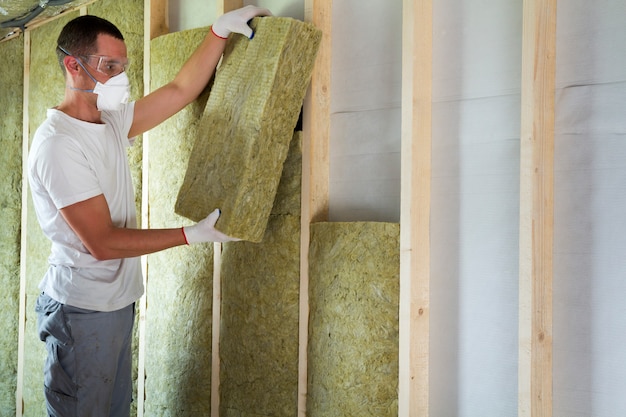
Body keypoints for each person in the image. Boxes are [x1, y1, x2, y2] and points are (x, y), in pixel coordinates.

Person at [27, 5, 271, 416]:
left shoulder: (110, 121)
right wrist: (189, 235)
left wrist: (218, 32)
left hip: (115, 303)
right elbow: (102, 243)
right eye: (109, 66)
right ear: (74, 65)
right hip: (82, 310)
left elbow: (179, 90)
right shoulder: (59, 144)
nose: (120, 76)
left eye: (123, 65)